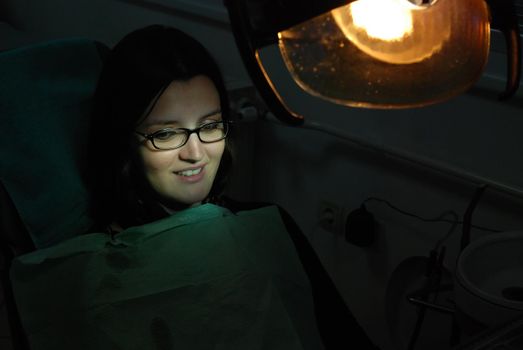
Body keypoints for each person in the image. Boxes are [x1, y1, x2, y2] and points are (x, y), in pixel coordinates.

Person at [12, 25, 380, 350]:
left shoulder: (265, 227)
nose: (195, 154)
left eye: (209, 126)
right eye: (166, 134)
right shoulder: (86, 270)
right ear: (122, 138)